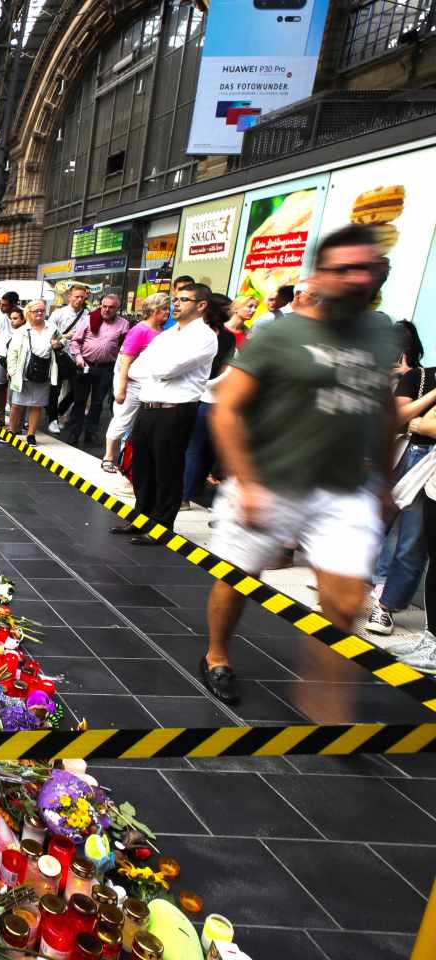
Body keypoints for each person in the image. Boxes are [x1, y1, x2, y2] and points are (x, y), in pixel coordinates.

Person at [202, 224, 398, 706]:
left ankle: (326, 696)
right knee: (238, 579)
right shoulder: (282, 333)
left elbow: (383, 408)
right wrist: (245, 482)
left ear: (378, 276)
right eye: (342, 269)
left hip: (342, 488)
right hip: (270, 480)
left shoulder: (379, 333)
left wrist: (385, 483)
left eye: (365, 269)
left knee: (348, 600)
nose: (355, 278)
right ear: (320, 275)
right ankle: (216, 655)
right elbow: (227, 405)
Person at [112, 283, 218, 544]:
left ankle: (162, 526)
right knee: (143, 466)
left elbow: (168, 369)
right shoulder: (168, 336)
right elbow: (138, 369)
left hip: (176, 410)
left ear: (201, 305)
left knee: (167, 469)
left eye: (183, 299)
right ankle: (142, 517)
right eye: (175, 299)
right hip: (149, 407)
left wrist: (158, 364)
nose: (176, 304)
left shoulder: (204, 337)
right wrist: (158, 364)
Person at [367, 321, 436, 638]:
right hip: (413, 456)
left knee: (412, 543)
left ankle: (388, 604)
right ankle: (373, 593)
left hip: (425, 459)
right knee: (387, 529)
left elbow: (423, 425)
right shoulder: (421, 377)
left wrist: (422, 424)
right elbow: (401, 418)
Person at [181, 294, 238, 509]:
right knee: (200, 449)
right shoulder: (227, 337)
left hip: (195, 396)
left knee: (192, 448)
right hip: (211, 396)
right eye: (227, 308)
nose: (230, 312)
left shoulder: (195, 333)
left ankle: (184, 496)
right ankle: (191, 491)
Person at [102, 293, 169, 473]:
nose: (167, 312)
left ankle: (127, 459)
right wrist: (122, 389)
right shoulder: (140, 330)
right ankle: (108, 456)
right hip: (131, 383)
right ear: (153, 310)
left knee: (137, 423)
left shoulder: (161, 332)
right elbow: (126, 361)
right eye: (163, 309)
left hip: (149, 384)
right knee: (122, 419)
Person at [64, 293, 131, 447]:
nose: (107, 310)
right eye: (104, 306)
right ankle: (74, 432)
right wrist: (79, 359)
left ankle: (91, 432)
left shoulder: (123, 324)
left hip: (106, 368)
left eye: (111, 307)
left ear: (117, 308)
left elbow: (124, 346)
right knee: (80, 401)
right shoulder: (88, 320)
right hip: (85, 366)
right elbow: (75, 341)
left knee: (98, 403)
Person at [6, 300, 57, 444]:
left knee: (37, 405)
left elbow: (62, 340)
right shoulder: (22, 331)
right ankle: (11, 430)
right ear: (29, 313)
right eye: (36, 311)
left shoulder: (52, 328)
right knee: (17, 404)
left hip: (43, 373)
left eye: (42, 310)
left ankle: (31, 435)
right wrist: (12, 370)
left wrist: (58, 344)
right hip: (23, 373)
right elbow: (12, 352)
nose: (40, 313)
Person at [46, 285, 89, 432]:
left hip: (77, 357)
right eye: (76, 296)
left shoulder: (87, 315)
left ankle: (59, 411)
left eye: (82, 297)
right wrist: (65, 337)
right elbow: (48, 335)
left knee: (77, 390)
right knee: (55, 389)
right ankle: (53, 419)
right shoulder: (59, 314)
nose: (79, 299)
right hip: (59, 355)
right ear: (69, 297)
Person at [0, 302, 25, 427]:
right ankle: (3, 418)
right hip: (1, 357)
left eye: (15, 319)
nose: (12, 321)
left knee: (15, 394)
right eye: (11, 319)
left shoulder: (25, 332)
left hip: (16, 364)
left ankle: (17, 424)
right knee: (0, 389)